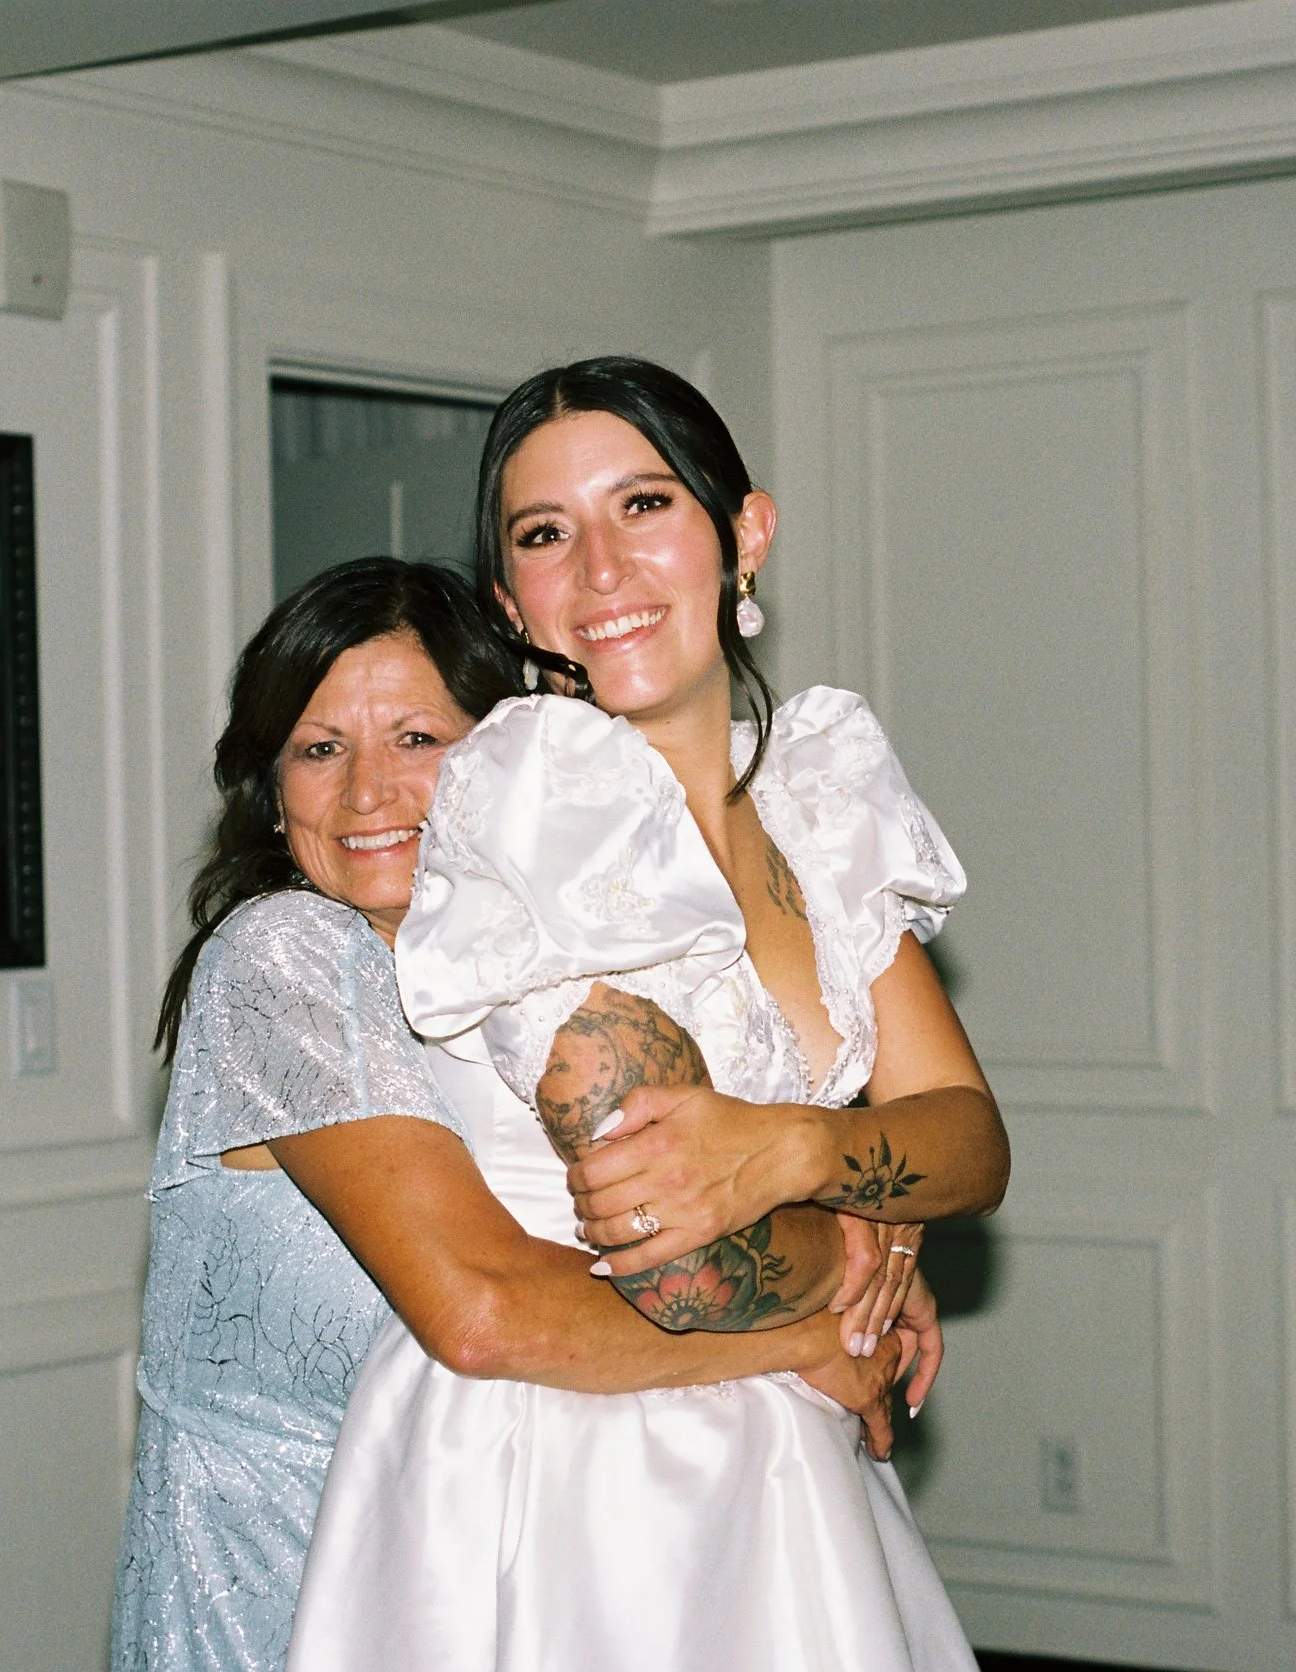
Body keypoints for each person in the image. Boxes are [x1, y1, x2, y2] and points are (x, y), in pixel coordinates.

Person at [285, 360, 1010, 1671]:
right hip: (568, 1466)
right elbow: (676, 1257)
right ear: (512, 601)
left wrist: (800, 1156)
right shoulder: (529, 812)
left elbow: (970, 1141)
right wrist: (861, 1226)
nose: (604, 571)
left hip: (781, 1444)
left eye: (645, 505)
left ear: (746, 534)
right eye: (547, 535)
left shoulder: (819, 800)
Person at [111, 559, 913, 1672]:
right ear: (270, 783)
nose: (365, 795)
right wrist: (807, 1334)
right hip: (290, 1602)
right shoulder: (285, 957)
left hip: (518, 1588)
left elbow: (677, 1225)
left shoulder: (540, 983)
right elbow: (487, 1311)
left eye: (416, 739)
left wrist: (873, 1252)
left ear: (505, 754)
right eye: (317, 747)